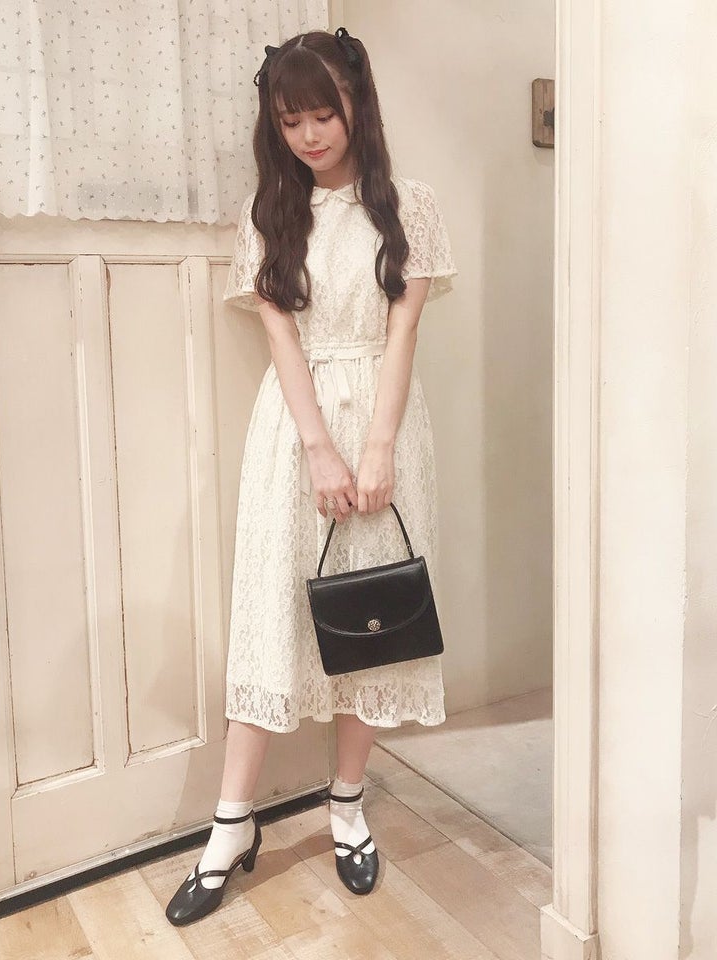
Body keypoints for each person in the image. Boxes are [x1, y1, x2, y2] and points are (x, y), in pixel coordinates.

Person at [166, 26, 458, 926]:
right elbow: (281, 338)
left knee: (369, 618)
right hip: (293, 432)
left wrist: (376, 446)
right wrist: (320, 448)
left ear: (357, 104)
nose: (308, 135)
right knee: (272, 614)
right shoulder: (269, 214)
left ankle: (346, 806)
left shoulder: (410, 207)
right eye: (290, 120)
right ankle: (232, 822)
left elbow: (403, 334)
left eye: (322, 113)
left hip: (385, 423)